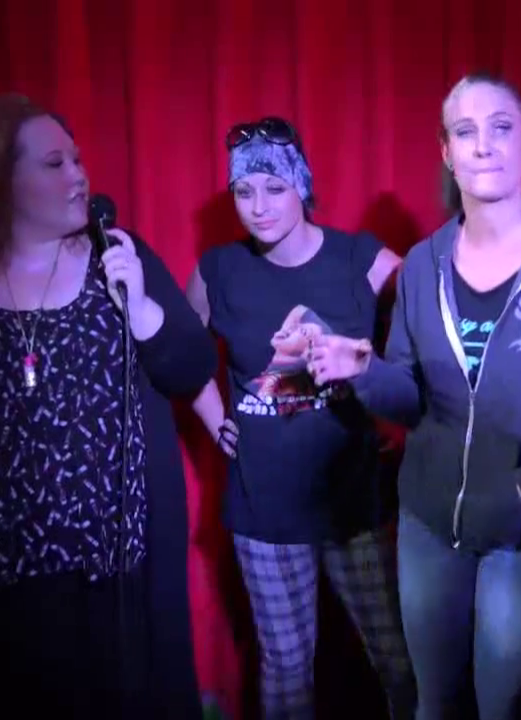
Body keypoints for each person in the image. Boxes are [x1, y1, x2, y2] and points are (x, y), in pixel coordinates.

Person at [0, 94, 214, 719]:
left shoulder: (119, 257)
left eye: (77, 160)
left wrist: (140, 307)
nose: (79, 175)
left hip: (110, 579)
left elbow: (191, 366)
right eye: (55, 164)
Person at [308, 73, 521, 719]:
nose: (484, 146)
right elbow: (408, 398)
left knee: (502, 705)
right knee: (435, 702)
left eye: (501, 128)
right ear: (447, 152)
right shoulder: (423, 264)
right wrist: (360, 368)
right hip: (429, 524)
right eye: (465, 131)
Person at [186, 116, 415, 719]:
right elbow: (181, 352)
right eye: (243, 191)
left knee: (398, 659)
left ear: (302, 186)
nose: (259, 207)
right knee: (286, 665)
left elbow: (430, 324)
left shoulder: (361, 259)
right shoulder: (219, 270)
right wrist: (214, 417)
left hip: (351, 500)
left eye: (274, 188)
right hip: (263, 506)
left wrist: (390, 400)